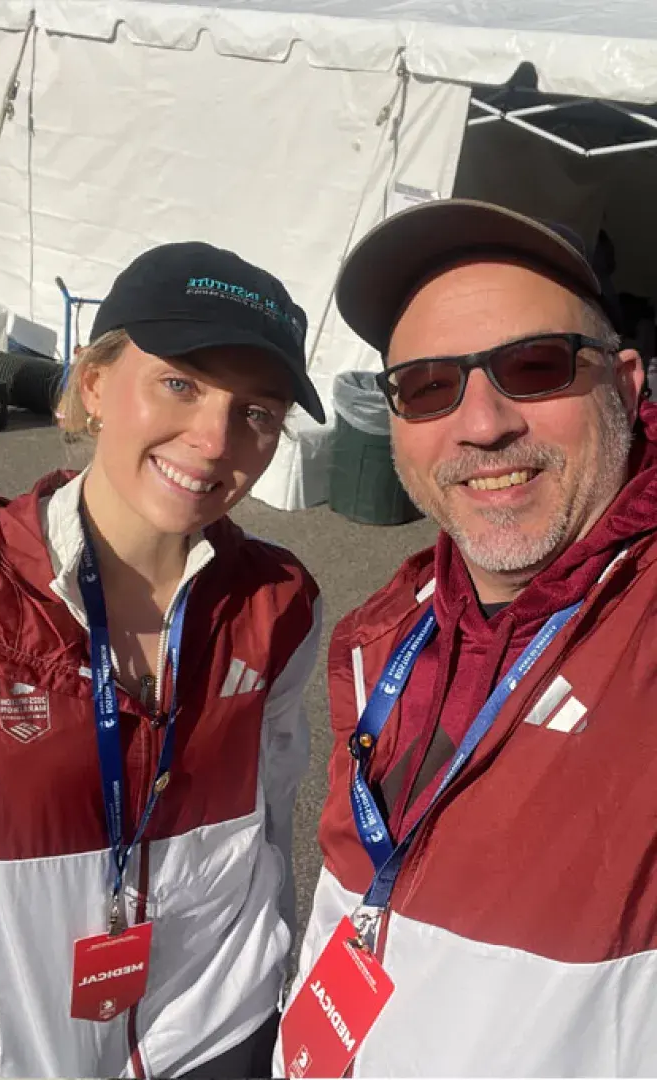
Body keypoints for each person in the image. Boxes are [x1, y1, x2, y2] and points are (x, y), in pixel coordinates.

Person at [0, 241, 325, 1079]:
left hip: (224, 1030)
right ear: (95, 385)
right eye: (181, 383)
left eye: (258, 412)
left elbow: (269, 815)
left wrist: (275, 983)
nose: (213, 440)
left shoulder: (280, 602)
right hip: (40, 1051)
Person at [277, 200, 657, 1076]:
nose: (483, 424)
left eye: (534, 366)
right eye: (428, 386)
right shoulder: (386, 631)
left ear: (628, 386)